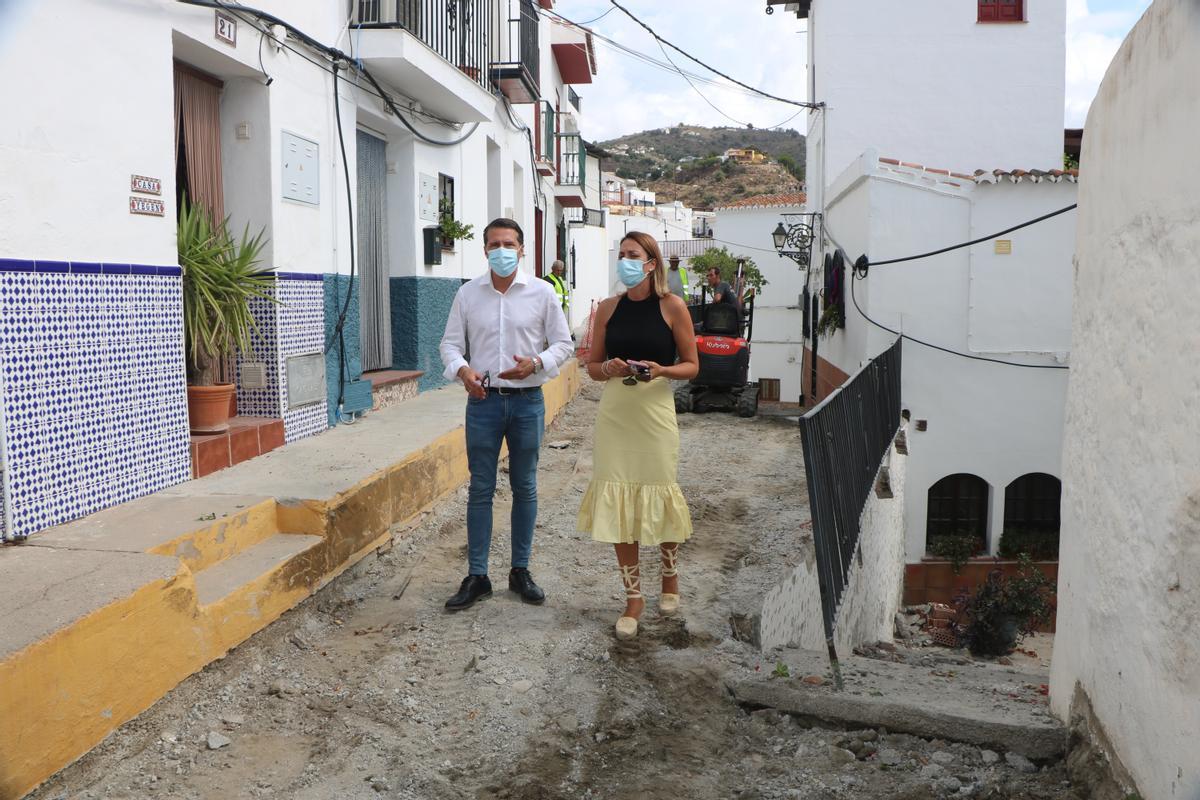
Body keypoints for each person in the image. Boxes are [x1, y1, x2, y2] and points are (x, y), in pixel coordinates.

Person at [439, 218, 575, 612]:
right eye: (494, 244)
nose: (502, 250)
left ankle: (520, 571)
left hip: (527, 402)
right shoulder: (467, 295)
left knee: (525, 486)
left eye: (509, 243)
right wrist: (463, 372)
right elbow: (450, 345)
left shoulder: (542, 293)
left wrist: (535, 363)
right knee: (480, 488)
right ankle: (478, 576)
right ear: (484, 251)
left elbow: (564, 344)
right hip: (482, 403)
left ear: (522, 249)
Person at [577, 232, 700, 640]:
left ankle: (669, 574)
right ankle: (633, 597)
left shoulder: (672, 306)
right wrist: (608, 369)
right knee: (618, 499)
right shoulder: (608, 308)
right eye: (622, 255)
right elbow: (591, 367)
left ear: (651, 263)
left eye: (633, 255)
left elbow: (691, 365)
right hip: (616, 414)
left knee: (660, 490)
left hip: (654, 411)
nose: (625, 261)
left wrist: (662, 369)